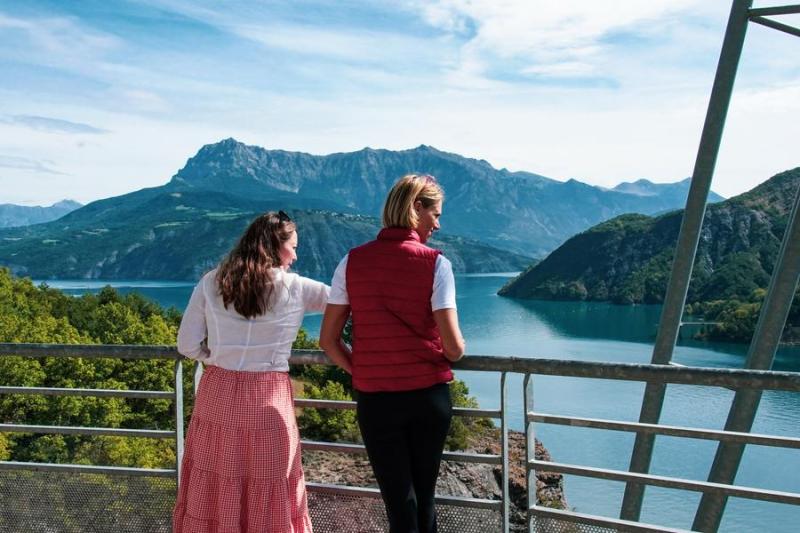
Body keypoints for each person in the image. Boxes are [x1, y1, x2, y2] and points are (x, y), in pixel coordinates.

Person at [319, 174, 466, 533]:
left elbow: (328, 340)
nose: (438, 223)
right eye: (436, 213)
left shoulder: (351, 262)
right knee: (425, 497)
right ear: (417, 208)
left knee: (399, 501)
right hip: (427, 397)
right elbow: (454, 348)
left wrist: (363, 371)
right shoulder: (435, 263)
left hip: (376, 400)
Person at [173, 210, 328, 533]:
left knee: (216, 482)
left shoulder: (212, 281)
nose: (296, 255)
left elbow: (186, 344)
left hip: (218, 393)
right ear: (275, 246)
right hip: (267, 399)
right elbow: (349, 301)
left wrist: (214, 357)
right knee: (270, 483)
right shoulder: (297, 287)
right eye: (293, 247)